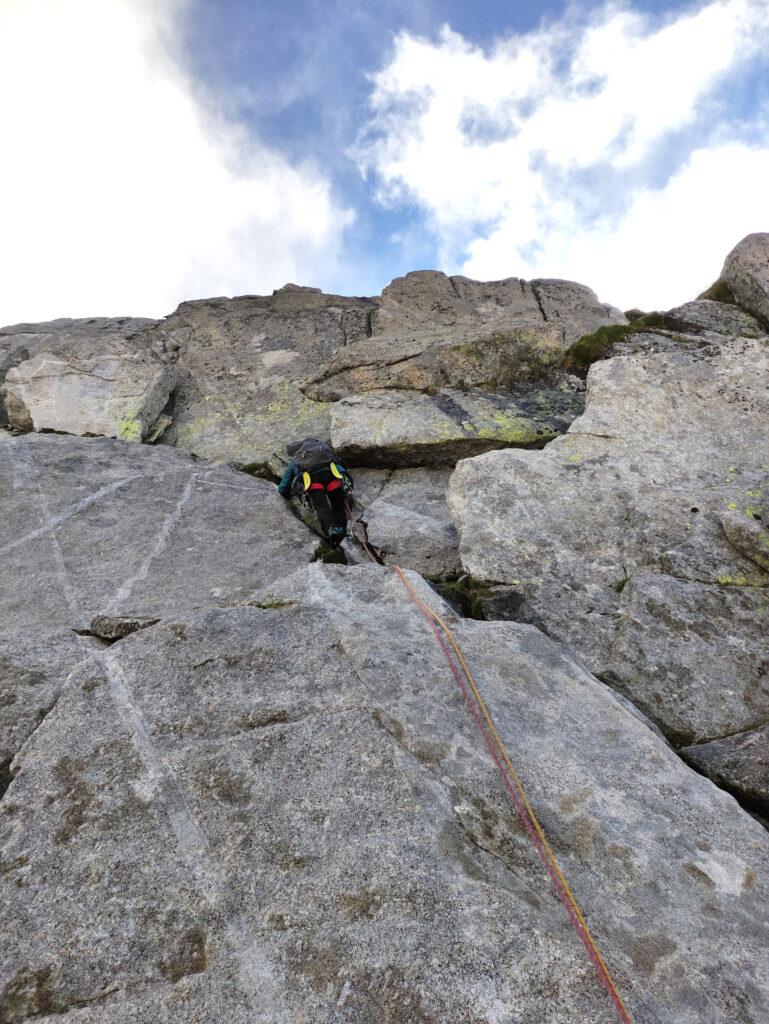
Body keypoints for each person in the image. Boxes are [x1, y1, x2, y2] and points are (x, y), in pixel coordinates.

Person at [277, 437, 353, 546]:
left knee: (322, 506)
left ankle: (330, 530)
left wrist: (284, 493)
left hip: (312, 481)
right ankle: (341, 529)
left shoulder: (297, 458)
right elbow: (340, 464)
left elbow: (284, 486)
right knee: (338, 506)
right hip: (332, 475)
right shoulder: (323, 448)